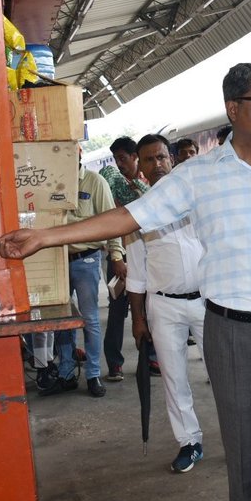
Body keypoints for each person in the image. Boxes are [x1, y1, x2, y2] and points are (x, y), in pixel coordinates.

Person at [0, 62, 251, 501]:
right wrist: (46, 236)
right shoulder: (198, 176)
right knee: (246, 464)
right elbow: (129, 216)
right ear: (233, 109)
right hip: (232, 335)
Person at [124, 134, 209, 474]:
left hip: (207, 301)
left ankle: (242, 436)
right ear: (140, 168)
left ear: (171, 160)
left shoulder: (198, 201)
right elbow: (136, 274)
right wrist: (138, 319)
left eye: (161, 157)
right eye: (148, 159)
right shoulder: (137, 215)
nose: (156, 164)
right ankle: (189, 442)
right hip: (164, 306)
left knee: (225, 371)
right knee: (174, 377)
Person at [40, 148, 126, 399]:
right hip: (56, 260)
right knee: (62, 319)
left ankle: (93, 375)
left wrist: (116, 255)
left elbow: (112, 221)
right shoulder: (50, 181)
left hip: (86, 259)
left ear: (78, 154)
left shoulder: (94, 182)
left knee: (89, 319)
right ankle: (66, 373)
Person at [103, 136, 149, 381]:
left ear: (135, 157)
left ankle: (151, 357)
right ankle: (114, 363)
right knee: (117, 311)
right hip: (121, 256)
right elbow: (111, 220)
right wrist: (117, 257)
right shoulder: (113, 182)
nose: (118, 164)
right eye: (116, 159)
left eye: (122, 158)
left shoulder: (148, 184)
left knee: (150, 310)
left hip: (149, 256)